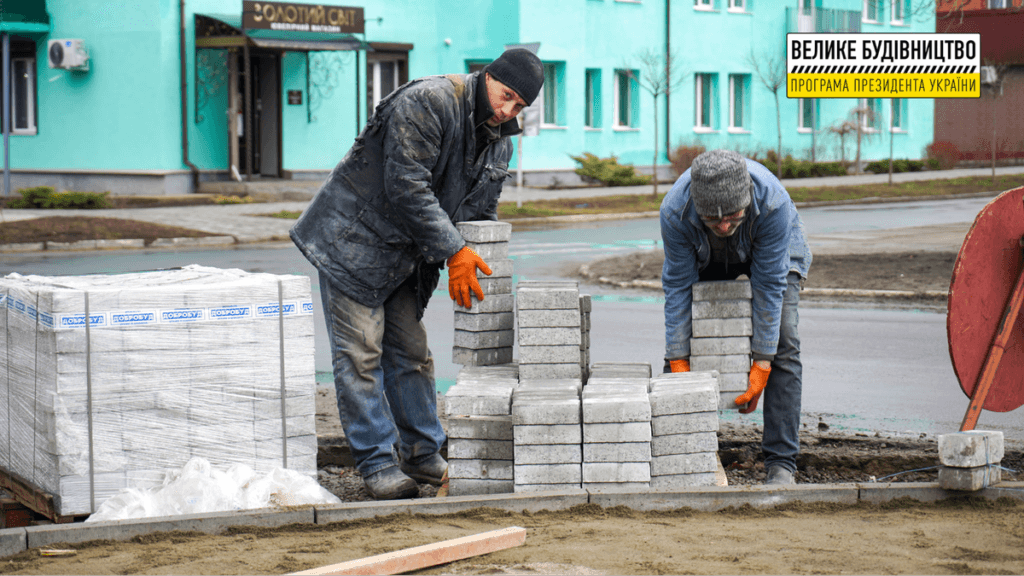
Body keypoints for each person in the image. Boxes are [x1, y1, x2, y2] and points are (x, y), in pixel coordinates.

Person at [290, 49, 544, 499]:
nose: (508, 111)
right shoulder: (430, 102)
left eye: (519, 106)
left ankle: (423, 454)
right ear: (487, 77)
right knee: (361, 358)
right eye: (506, 96)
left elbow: (480, 211)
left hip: (407, 256)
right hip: (356, 240)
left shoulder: (499, 139)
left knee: (411, 354)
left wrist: (479, 256)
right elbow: (406, 185)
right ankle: (377, 463)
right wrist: (454, 250)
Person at [660, 149, 811, 485]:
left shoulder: (773, 203)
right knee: (682, 345)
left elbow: (770, 285)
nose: (724, 225)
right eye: (714, 219)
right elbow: (678, 291)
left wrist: (762, 362)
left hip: (772, 250)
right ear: (698, 210)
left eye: (731, 214)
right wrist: (679, 363)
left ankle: (782, 463)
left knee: (784, 342)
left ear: (746, 199)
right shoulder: (675, 212)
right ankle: (680, 454)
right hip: (705, 255)